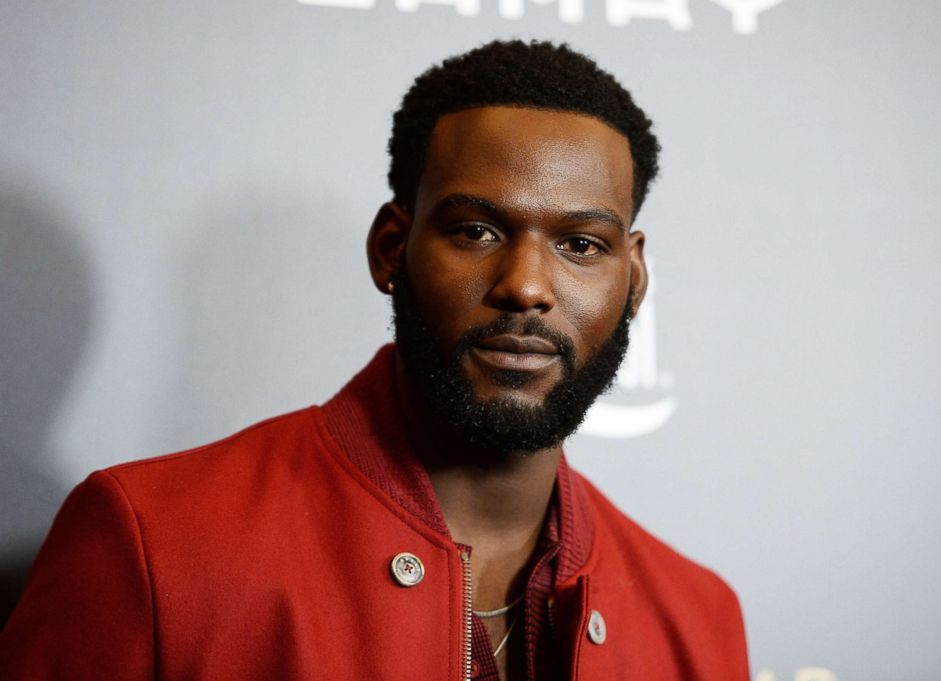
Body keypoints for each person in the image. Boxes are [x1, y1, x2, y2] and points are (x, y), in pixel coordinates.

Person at [0, 40, 748, 680]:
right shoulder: (152, 544)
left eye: (580, 244)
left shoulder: (699, 620)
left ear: (635, 278)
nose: (524, 286)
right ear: (392, 247)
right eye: (478, 231)